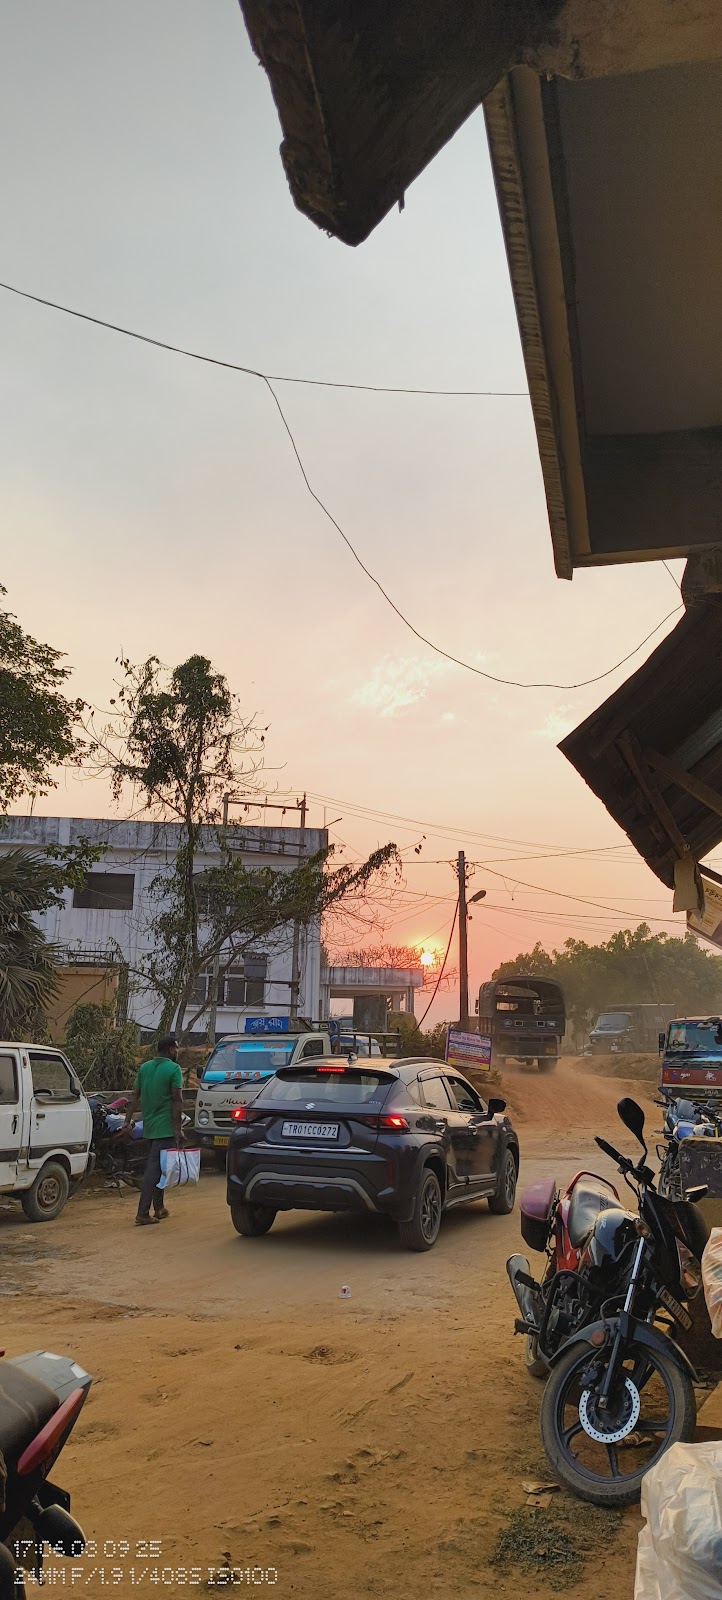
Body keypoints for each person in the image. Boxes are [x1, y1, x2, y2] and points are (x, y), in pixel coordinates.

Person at [125, 1036, 184, 1227]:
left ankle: (159, 1208)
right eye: (176, 1048)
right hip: (165, 1127)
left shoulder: (145, 1068)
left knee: (160, 1168)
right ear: (169, 1050)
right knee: (154, 1169)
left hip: (149, 1126)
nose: (178, 1051)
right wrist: (178, 1129)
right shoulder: (174, 1069)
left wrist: (127, 1121)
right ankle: (142, 1213)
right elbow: (177, 1099)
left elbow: (134, 1095)